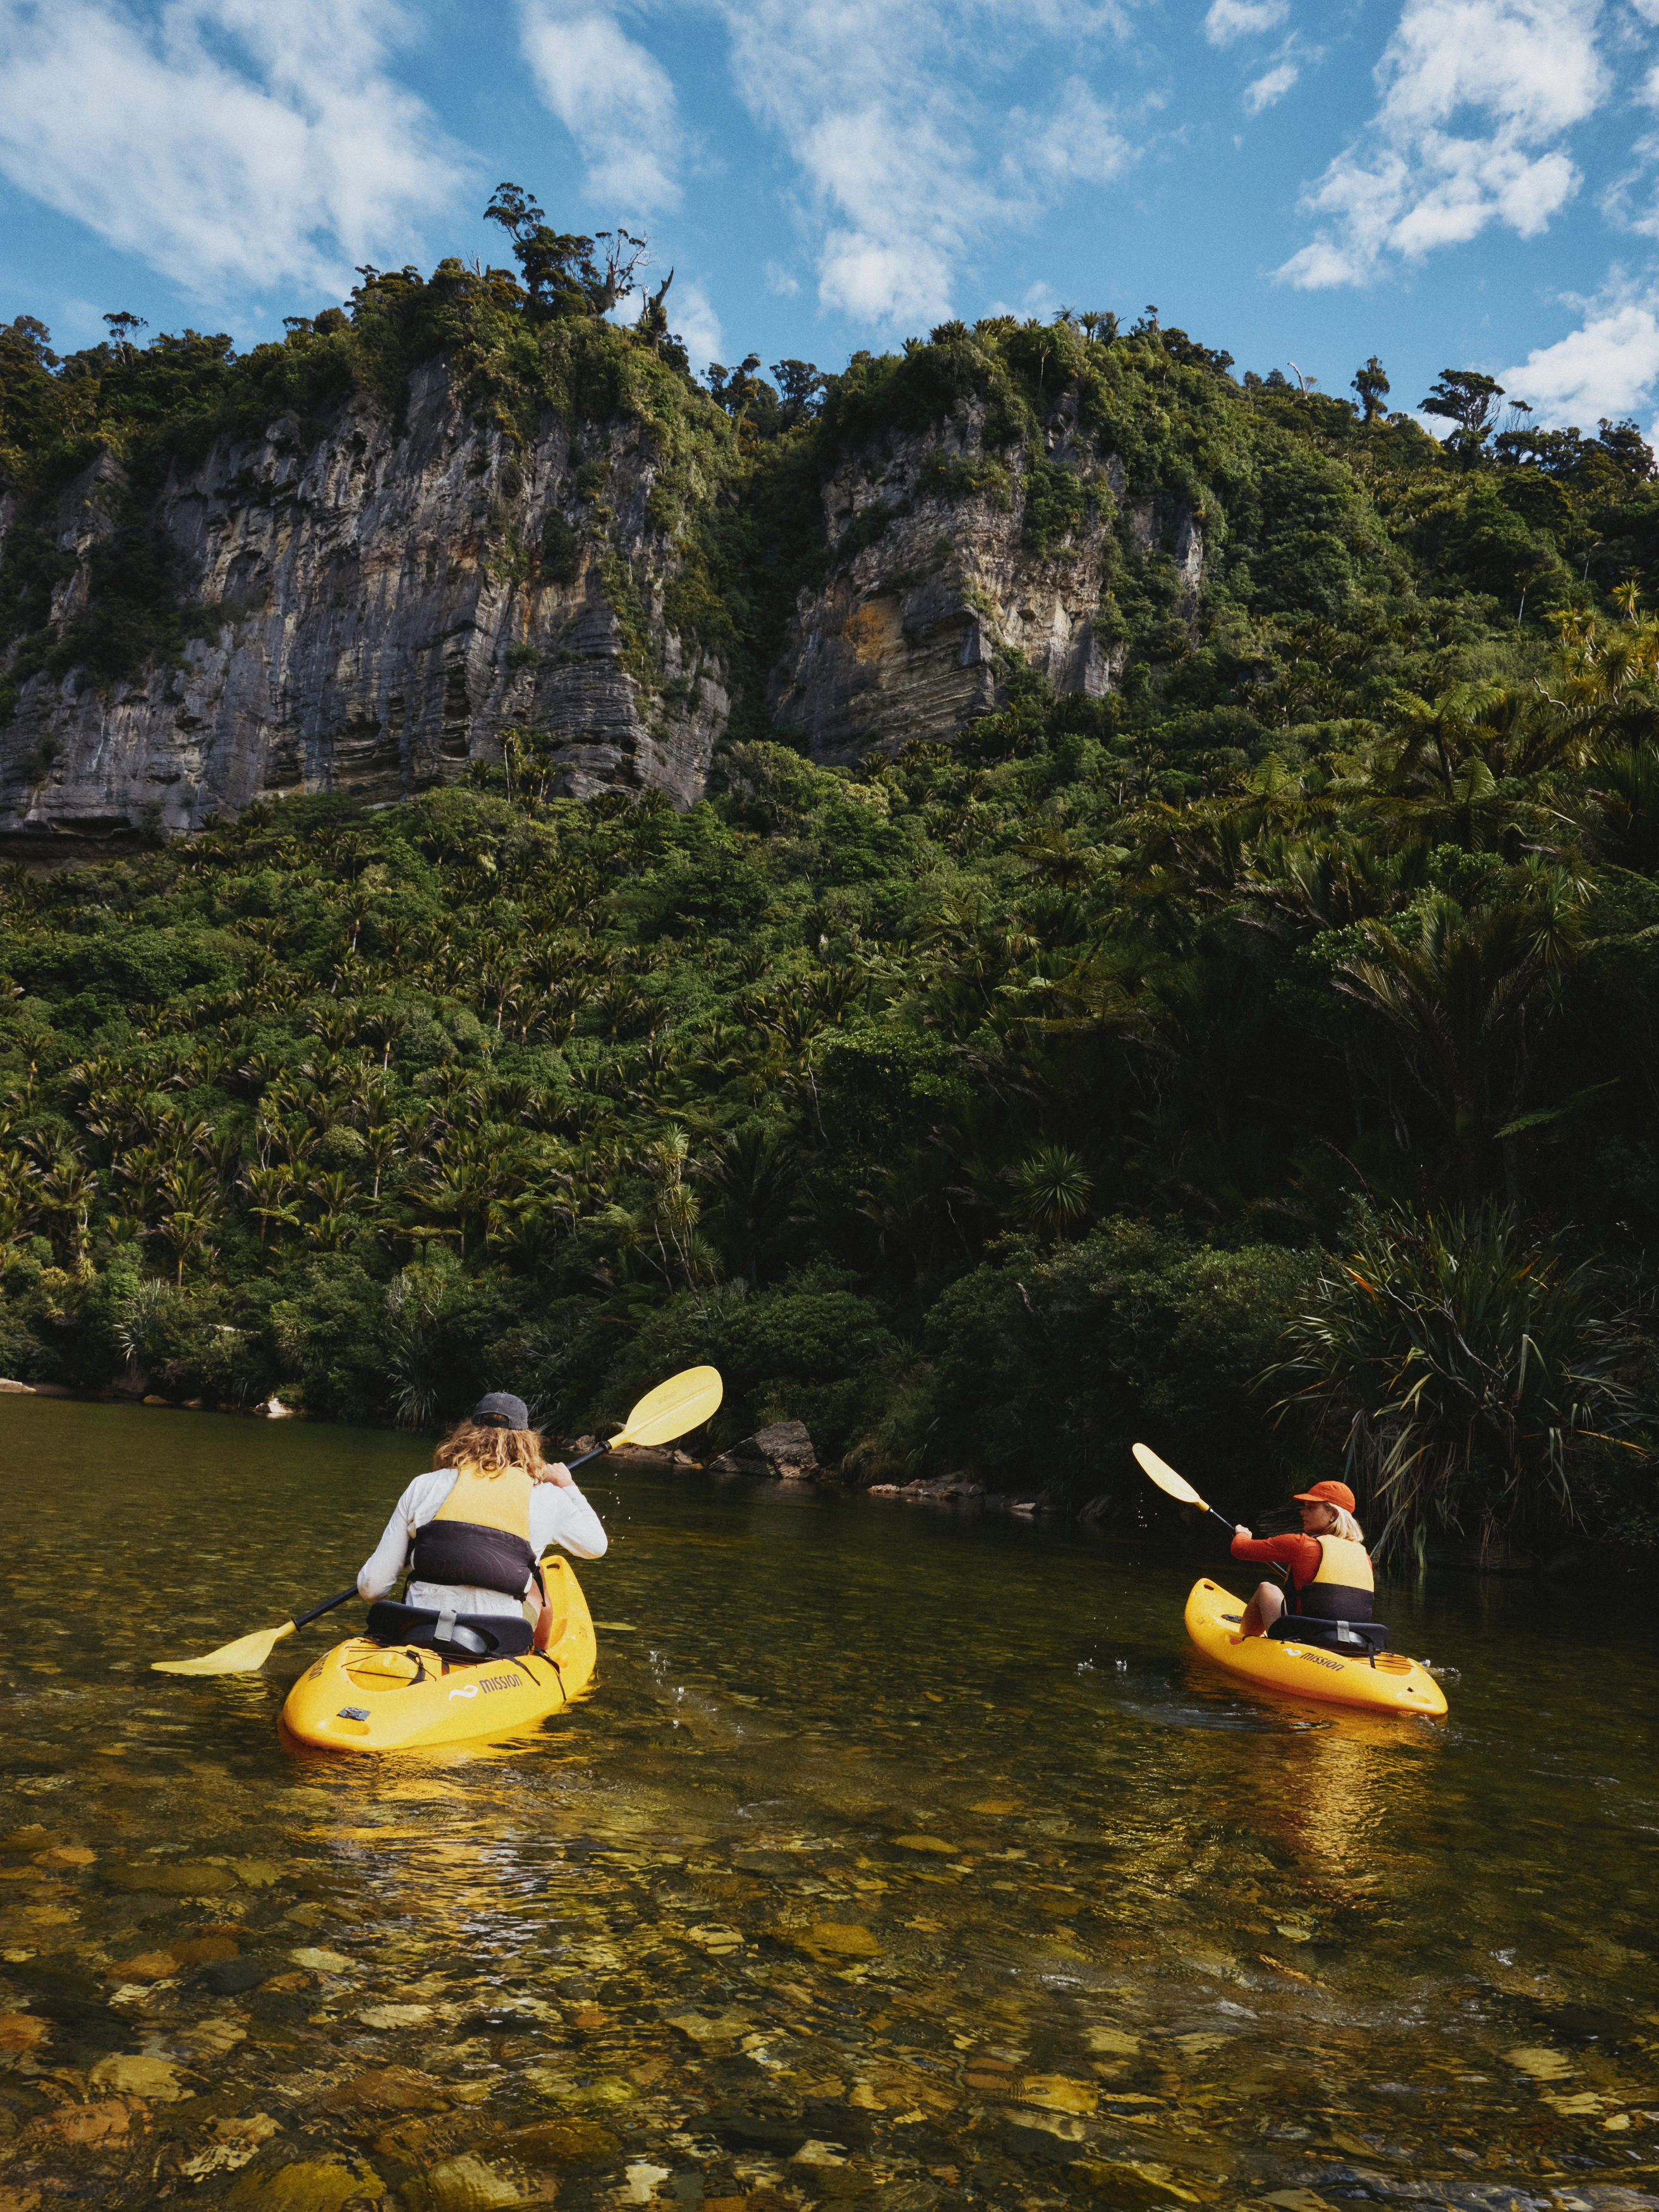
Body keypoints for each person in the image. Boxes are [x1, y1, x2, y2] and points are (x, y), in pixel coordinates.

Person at [358, 1391, 607, 1653]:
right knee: (538, 1577)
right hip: (495, 1638)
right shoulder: (548, 1496)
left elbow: (371, 1588)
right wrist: (567, 1485)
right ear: (527, 1442)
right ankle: (539, 1656)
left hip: (417, 1628)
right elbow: (596, 1546)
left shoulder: (424, 1485)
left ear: (467, 1433)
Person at [1229, 1480, 1373, 1641]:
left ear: (1334, 1514)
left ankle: (1243, 1645)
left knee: (1266, 1589)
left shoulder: (1301, 1545)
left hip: (1303, 1638)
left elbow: (1239, 1549)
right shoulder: (1365, 1557)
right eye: (1304, 1507)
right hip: (1355, 1641)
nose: (1303, 1512)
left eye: (1311, 1507)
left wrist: (1242, 1534)